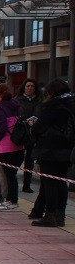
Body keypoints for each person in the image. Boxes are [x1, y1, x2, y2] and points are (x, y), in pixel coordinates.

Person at [29, 78, 75, 227]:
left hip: (50, 149)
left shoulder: (53, 106)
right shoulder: (71, 104)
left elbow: (39, 128)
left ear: (52, 92)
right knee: (61, 182)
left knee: (49, 183)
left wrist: (33, 128)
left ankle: (50, 215)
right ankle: (60, 215)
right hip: (67, 149)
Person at [0, 83, 25, 211]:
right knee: (12, 174)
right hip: (18, 143)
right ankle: (11, 199)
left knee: (8, 174)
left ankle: (12, 200)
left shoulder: (0, 107)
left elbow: (2, 126)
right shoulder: (17, 105)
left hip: (6, 144)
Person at [17, 79, 42, 193]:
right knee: (18, 159)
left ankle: (27, 184)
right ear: (24, 87)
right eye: (28, 86)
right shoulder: (18, 100)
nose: (30, 88)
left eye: (32, 86)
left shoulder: (39, 101)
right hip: (21, 133)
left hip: (33, 134)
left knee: (30, 161)